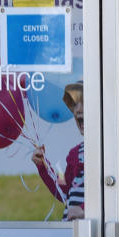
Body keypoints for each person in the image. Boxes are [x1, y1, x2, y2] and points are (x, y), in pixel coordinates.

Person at [31, 82, 85, 221]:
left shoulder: (110, 152)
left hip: (93, 231)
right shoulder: (75, 153)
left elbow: (113, 195)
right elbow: (64, 189)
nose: (78, 110)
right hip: (70, 230)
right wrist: (43, 166)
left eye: (84, 103)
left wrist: (84, 209)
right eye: (74, 104)